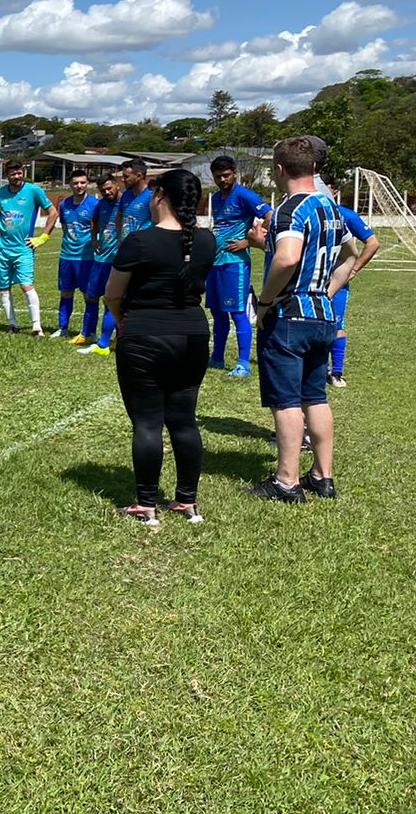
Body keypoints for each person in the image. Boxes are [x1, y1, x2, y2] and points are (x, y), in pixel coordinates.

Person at [103, 169, 218, 528]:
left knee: (148, 423)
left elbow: (112, 294)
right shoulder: (207, 240)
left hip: (145, 337)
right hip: (193, 336)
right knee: (184, 420)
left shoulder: (140, 241)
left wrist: (123, 321)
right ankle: (187, 501)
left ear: (159, 196)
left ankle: (146, 505)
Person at [249, 137, 346, 504]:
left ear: (279, 169)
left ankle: (286, 481)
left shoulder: (291, 209)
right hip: (323, 314)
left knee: (287, 401)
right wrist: (327, 290)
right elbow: (350, 257)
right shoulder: (332, 208)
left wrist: (265, 301)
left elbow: (287, 258)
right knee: (315, 397)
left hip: (290, 314)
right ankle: (323, 476)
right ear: (315, 168)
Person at [205, 155, 272, 379]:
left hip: (235, 264)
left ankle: (244, 363)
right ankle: (217, 357)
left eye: (226, 175)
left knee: (237, 312)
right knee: (217, 312)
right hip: (215, 263)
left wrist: (250, 241)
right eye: (218, 177)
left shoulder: (244, 195)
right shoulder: (215, 198)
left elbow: (270, 216)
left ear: (234, 173)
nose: (222, 180)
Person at [0, 162, 56, 335]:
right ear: (6, 175)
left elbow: (53, 213)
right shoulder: (0, 193)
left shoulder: (34, 191)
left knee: (26, 286)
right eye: (13, 174)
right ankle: (12, 325)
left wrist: (43, 237)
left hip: (23, 248)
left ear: (23, 172)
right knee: (4, 287)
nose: (17, 176)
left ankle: (36, 327)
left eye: (19, 173)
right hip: (2, 248)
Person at [324, 179, 381, 389]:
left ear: (334, 191)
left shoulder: (346, 215)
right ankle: (318, 370)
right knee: (314, 324)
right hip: (309, 280)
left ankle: (336, 373)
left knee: (336, 325)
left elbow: (373, 242)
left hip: (336, 281)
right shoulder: (306, 210)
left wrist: (354, 269)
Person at [76, 173, 124, 357]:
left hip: (116, 261)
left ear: (117, 185)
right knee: (92, 296)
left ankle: (104, 343)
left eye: (109, 188)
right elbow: (93, 221)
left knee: (112, 301)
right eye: (103, 190)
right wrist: (94, 238)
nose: (107, 192)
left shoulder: (126, 203)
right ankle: (89, 334)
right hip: (100, 259)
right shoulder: (101, 204)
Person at [53, 169, 98, 341]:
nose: (79, 186)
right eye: (76, 183)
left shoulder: (94, 204)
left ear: (87, 184)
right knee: (65, 293)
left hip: (86, 257)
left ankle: (90, 332)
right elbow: (64, 227)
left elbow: (98, 228)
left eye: (83, 183)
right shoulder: (64, 205)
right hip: (66, 256)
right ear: (70, 184)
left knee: (89, 295)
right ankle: (63, 328)